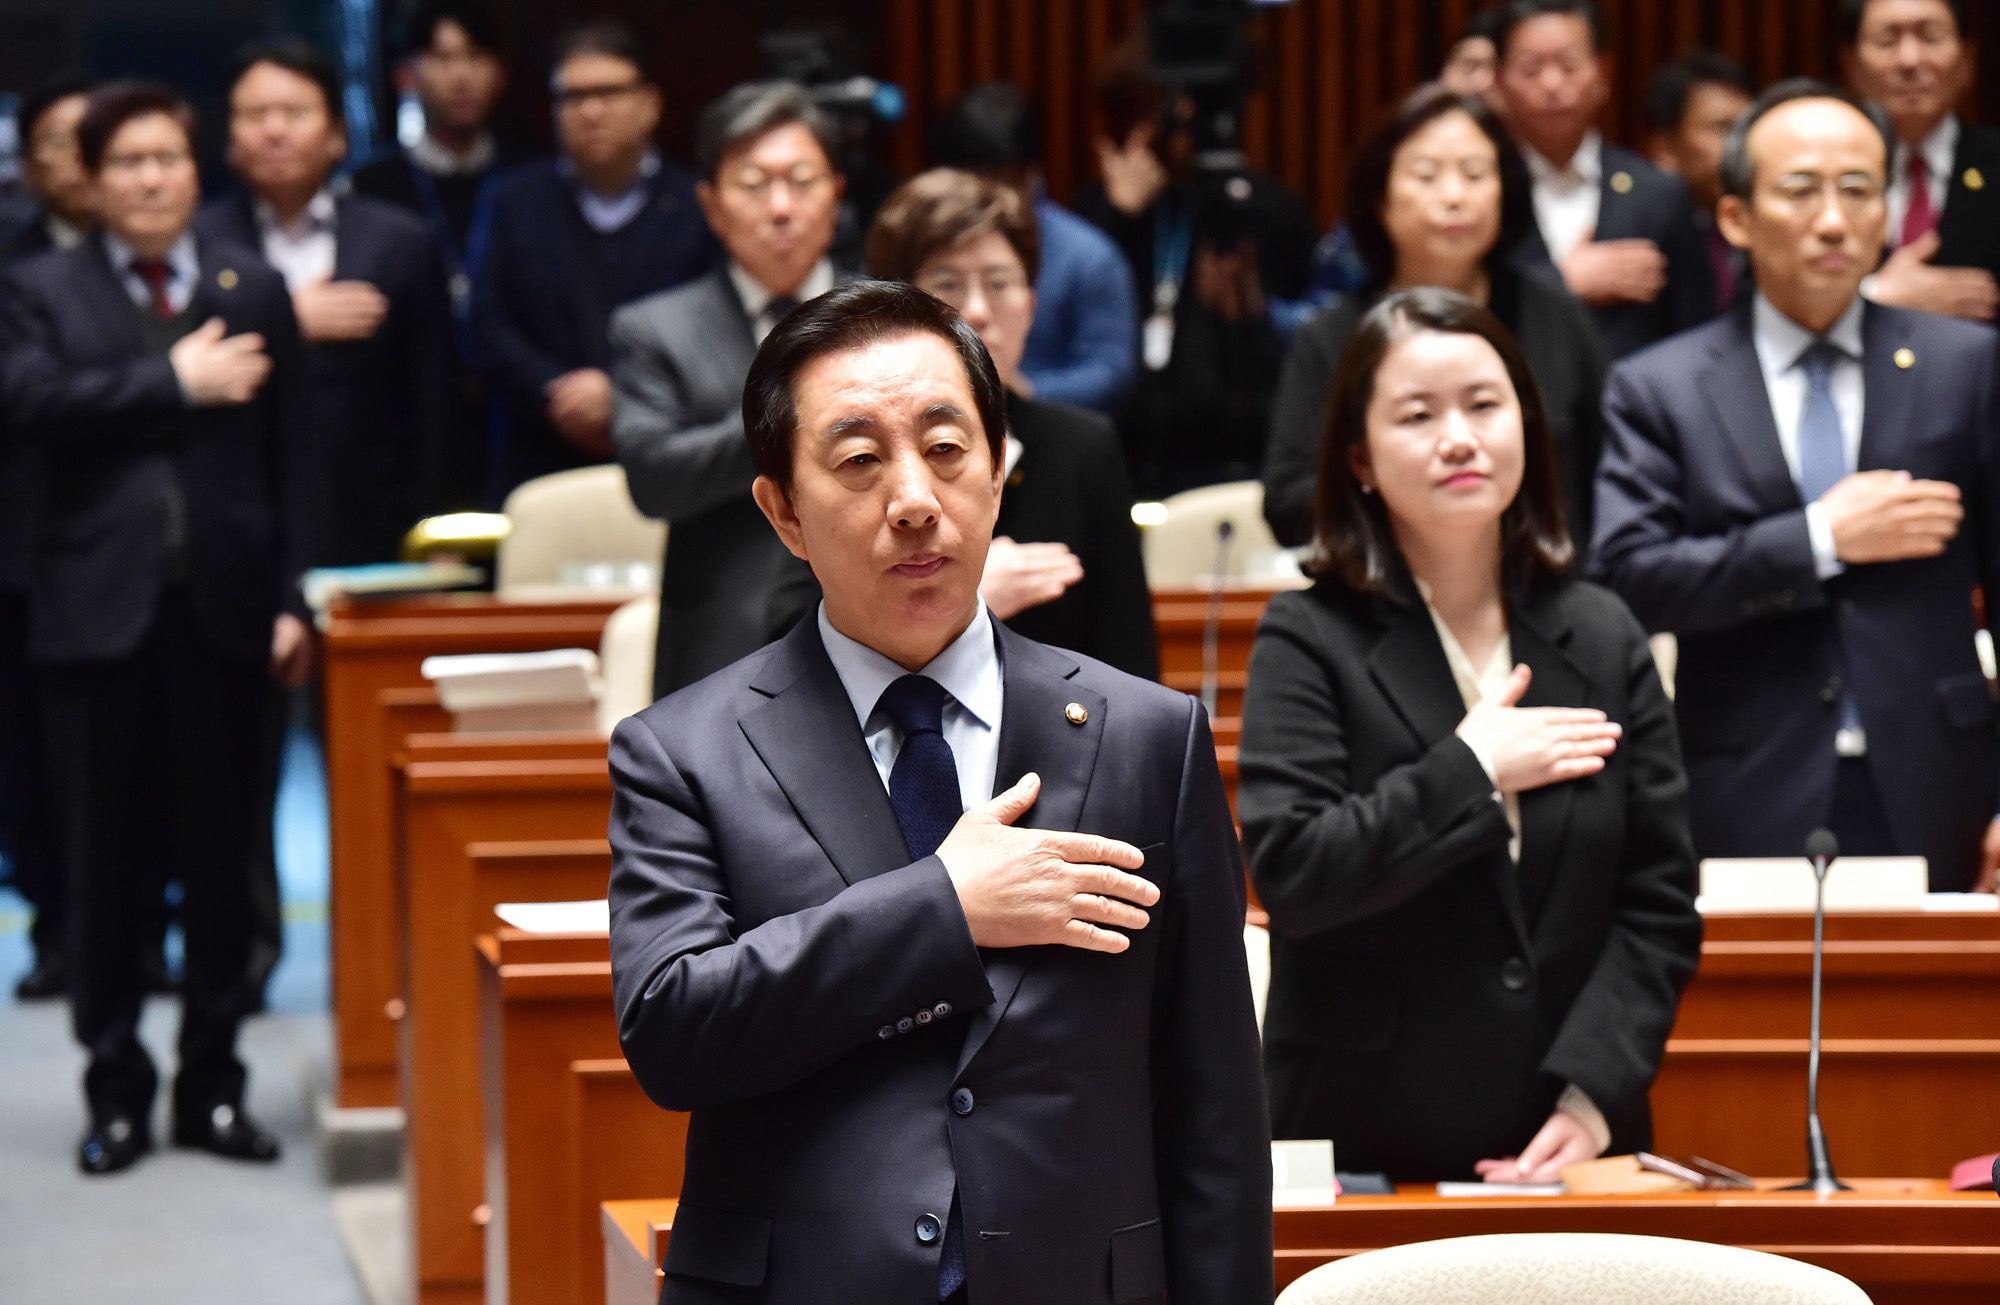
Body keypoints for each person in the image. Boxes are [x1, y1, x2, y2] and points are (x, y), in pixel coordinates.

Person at [607, 277, 1271, 1302]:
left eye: (946, 448)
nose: (913, 497)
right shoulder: (682, 749)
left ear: (999, 472)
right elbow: (673, 1034)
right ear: (781, 511)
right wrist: (943, 908)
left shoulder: (1147, 737)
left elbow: (1213, 1111)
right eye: (860, 460)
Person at [1238, 286, 1700, 1183]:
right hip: (1366, 1136)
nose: (1460, 436)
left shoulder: (1603, 633)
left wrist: (1593, 1091)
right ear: (1361, 458)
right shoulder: (1307, 634)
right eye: (1418, 414)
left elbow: (1660, 901)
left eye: (1485, 405)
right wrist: (1473, 767)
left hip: (1563, 1136)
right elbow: (1294, 872)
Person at [0, 82, 314, 1173]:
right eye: (125, 162)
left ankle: (212, 1088)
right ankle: (116, 1091)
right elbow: (31, 402)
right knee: (104, 865)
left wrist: (289, 598)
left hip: (226, 613)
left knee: (224, 861)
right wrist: (170, 382)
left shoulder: (251, 287)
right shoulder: (37, 287)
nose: (148, 180)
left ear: (196, 172)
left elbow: (288, 463)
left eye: (166, 160)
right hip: (94, 616)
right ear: (90, 181)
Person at [1592, 80, 2000, 893]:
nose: (1833, 219)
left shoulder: (1966, 364)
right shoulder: (1660, 385)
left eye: (1859, 190)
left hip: (1945, 779)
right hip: (1744, 781)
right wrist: (1817, 540)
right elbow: (1626, 580)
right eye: (1801, 189)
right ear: (1737, 217)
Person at [1262, 87, 1606, 555]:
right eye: (1426, 175)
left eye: (1474, 173)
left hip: (1549, 596)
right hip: (1387, 604)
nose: (1453, 196)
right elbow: (1286, 504)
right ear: (1380, 197)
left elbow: (1608, 474)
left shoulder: (1554, 315)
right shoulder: (1332, 337)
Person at [867, 168, 1158, 680]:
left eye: (1000, 283)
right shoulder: (859, 449)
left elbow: (1129, 661)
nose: (978, 311)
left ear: (1031, 304)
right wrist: (968, 601)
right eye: (947, 284)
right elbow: (791, 633)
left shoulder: (1082, 445)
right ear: (896, 307)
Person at [611, 82, 846, 697]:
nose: (780, 207)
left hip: (873, 631)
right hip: (719, 650)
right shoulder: (654, 328)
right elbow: (652, 477)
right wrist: (792, 417)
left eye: (801, 180)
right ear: (712, 206)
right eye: (752, 184)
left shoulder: (889, 322)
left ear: (836, 195)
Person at [198, 39, 455, 567]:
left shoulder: (398, 239)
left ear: (337, 133)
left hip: (373, 515)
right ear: (230, 138)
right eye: (254, 115)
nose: (274, 131)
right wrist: (289, 318)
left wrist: (440, 532)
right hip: (236, 520)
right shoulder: (198, 242)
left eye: (294, 112)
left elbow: (437, 400)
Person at [476, 19, 719, 499]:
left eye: (608, 92)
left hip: (668, 450)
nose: (590, 111)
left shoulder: (698, 204)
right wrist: (555, 389)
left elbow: (711, 324)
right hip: (538, 449)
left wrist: (621, 393)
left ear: (649, 103)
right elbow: (485, 323)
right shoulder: (514, 200)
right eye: (572, 97)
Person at [1074, 47, 1320, 494]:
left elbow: (1301, 345)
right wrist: (1118, 214)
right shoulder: (1100, 215)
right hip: (1128, 449)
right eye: (1137, 118)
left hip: (1237, 450)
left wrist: (1252, 310)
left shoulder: (1265, 212)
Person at [1, 75, 93, 1001]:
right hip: (19, 548)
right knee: (30, 758)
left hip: (114, 547)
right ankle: (53, 931)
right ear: (30, 165)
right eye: (60, 143)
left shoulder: (145, 264)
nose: (79, 160)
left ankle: (138, 928)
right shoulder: (11, 263)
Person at [351, 0, 511, 508]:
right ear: (406, 76)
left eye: (474, 56)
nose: (461, 75)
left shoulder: (530, 178)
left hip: (511, 412)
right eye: (442, 59)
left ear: (498, 72)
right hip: (404, 420)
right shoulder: (369, 187)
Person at [1493, 0, 1713, 358]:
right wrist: (1565, 283)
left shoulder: (1658, 192)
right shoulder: (1484, 193)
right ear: (1500, 80)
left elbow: (1695, 334)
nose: (1552, 84)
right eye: (1531, 68)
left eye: (1569, 65)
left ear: (1603, 72)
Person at [926, 83, 1138, 415]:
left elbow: (1110, 371)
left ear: (1032, 175)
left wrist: (1024, 393)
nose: (982, 197)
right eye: (968, 180)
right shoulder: (919, 247)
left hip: (1047, 433)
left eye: (1001, 180)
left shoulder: (1089, 257)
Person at [1842, 0, 2000, 323]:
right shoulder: (1822, 172)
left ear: (1967, 60)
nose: (1909, 60)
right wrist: (1871, 297)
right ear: (1853, 66)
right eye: (1887, 40)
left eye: (1930, 37)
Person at [1644, 51, 1756, 316]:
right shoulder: (1643, 236)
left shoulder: (1769, 223)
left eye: (1748, 127)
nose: (1742, 145)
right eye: (1722, 128)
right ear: (1666, 149)